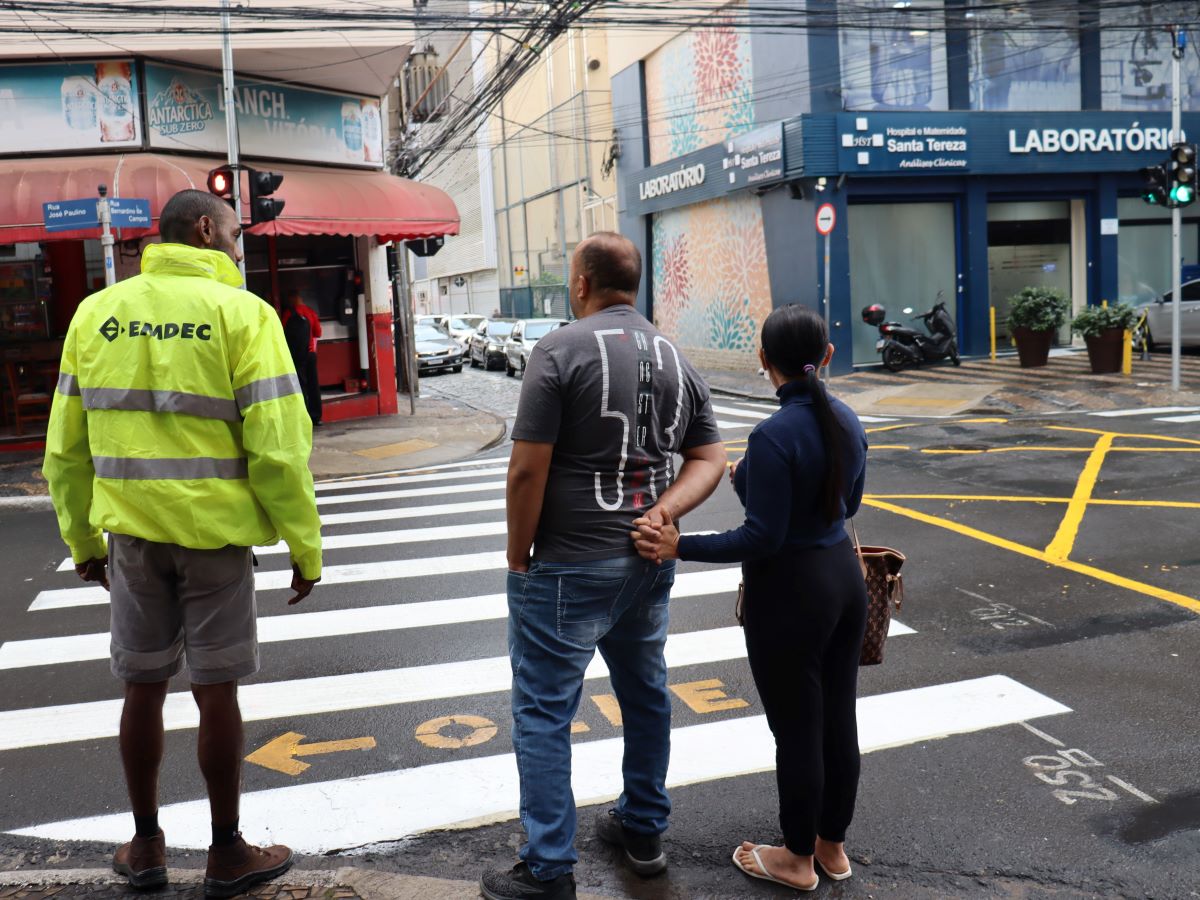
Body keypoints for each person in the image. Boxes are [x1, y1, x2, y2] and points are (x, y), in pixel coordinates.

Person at [43, 189, 323, 899]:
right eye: (234, 231)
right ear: (206, 228)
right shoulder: (243, 315)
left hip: (132, 538)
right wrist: (303, 543)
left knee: (141, 686)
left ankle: (144, 847)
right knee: (215, 691)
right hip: (217, 540)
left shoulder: (94, 315)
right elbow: (281, 449)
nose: (238, 245)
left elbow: (63, 452)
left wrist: (82, 539)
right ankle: (227, 853)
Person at [480, 233, 727, 900]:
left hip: (566, 567)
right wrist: (665, 512)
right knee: (645, 696)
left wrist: (516, 557)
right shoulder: (678, 357)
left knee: (543, 713)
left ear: (582, 285)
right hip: (646, 563)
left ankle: (549, 867)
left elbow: (527, 469)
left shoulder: (558, 350)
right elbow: (711, 458)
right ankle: (643, 829)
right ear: (635, 287)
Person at [632, 304, 869, 893]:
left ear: (762, 360)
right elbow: (846, 505)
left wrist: (676, 547)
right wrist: (751, 481)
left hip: (792, 594)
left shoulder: (771, 436)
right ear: (829, 356)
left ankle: (795, 858)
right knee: (839, 720)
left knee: (797, 731)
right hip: (846, 579)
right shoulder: (848, 419)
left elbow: (761, 539)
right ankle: (831, 847)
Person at [280, 290, 323, 425]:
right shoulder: (311, 312)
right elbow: (318, 333)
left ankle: (303, 417)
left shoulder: (287, 314)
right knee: (313, 385)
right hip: (310, 353)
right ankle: (316, 417)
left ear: (292, 299)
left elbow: (281, 334)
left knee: (299, 385)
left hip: (296, 355)